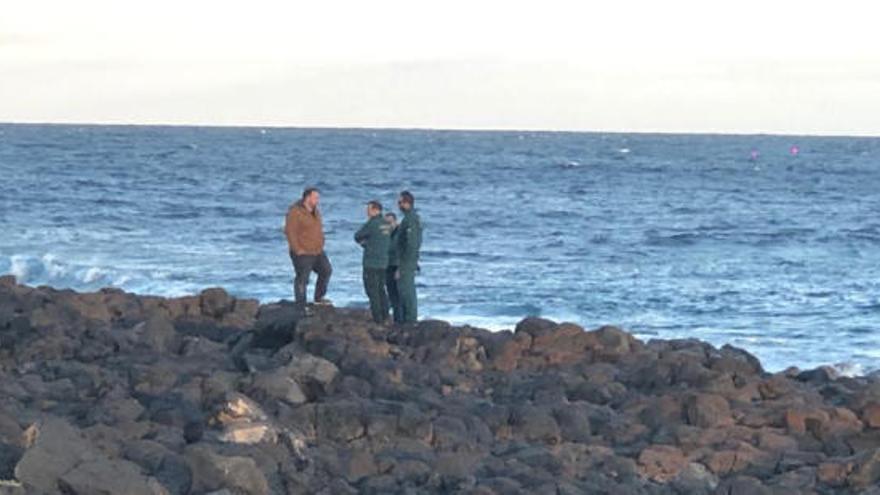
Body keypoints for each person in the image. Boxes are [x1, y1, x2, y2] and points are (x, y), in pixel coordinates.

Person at [284, 187, 332, 312]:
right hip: (303, 251)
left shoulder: (316, 211)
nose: (318, 200)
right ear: (307, 197)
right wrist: (297, 249)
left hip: (317, 250)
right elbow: (290, 231)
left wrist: (321, 242)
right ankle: (301, 304)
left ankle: (319, 297)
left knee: (326, 270)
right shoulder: (295, 212)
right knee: (302, 278)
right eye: (315, 197)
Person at [355, 201, 392, 323]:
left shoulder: (372, 223)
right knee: (381, 289)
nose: (367, 212)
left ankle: (377, 318)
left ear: (375, 210)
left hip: (371, 262)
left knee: (372, 290)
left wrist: (365, 244)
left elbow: (358, 235)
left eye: (368, 209)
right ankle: (386, 314)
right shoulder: (387, 224)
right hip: (383, 262)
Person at [395, 191, 422, 323]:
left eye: (400, 202)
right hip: (407, 260)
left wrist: (403, 264)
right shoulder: (408, 218)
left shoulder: (411, 219)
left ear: (407, 203)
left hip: (407, 260)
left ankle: (410, 320)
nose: (398, 205)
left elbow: (411, 243)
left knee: (407, 291)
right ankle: (408, 319)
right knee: (404, 290)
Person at [384, 211, 402, 323]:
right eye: (386, 223)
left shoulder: (400, 234)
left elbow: (403, 251)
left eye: (390, 222)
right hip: (388, 265)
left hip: (397, 266)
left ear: (395, 221)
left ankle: (400, 320)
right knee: (391, 294)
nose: (388, 225)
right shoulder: (385, 234)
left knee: (398, 295)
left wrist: (400, 268)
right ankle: (396, 319)